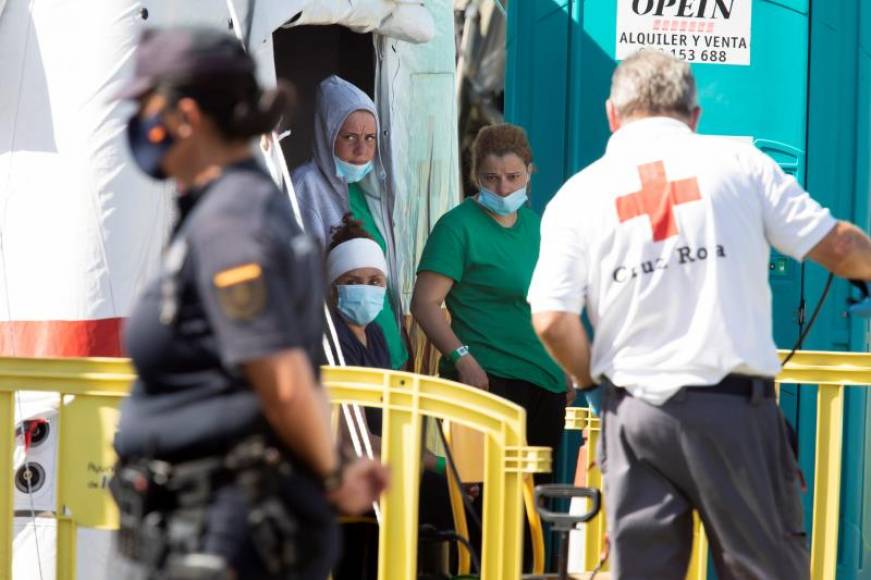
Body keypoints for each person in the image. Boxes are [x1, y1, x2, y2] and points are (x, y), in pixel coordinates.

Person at [527, 50, 871, 579]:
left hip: (635, 416)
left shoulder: (577, 196)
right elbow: (842, 248)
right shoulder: (742, 166)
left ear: (612, 115)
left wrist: (592, 383)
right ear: (695, 115)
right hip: (733, 413)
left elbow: (551, 318)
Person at [109, 27, 388, 580]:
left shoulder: (234, 222)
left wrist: (334, 474)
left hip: (231, 524)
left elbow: (280, 377)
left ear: (185, 114)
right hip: (202, 518)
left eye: (146, 105)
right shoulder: (219, 209)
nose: (140, 123)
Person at [411, 124, 572, 478]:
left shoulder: (534, 225)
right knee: (485, 504)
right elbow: (424, 303)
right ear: (475, 177)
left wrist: (565, 366)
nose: (503, 188)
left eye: (513, 177)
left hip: (544, 381)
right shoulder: (457, 227)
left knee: (532, 509)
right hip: (486, 380)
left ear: (530, 173)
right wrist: (462, 358)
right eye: (491, 178)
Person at [324, 214, 455, 580]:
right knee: (443, 496)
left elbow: (392, 417)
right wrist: (427, 462)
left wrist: (437, 463)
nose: (366, 289)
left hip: (381, 459)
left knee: (463, 494)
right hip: (346, 465)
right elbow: (348, 434)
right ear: (335, 286)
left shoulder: (378, 339)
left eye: (375, 281)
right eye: (353, 282)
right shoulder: (329, 339)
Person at [291, 75, 408, 372]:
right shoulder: (308, 187)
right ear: (327, 136)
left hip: (383, 345)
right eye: (349, 137)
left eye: (370, 138)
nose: (362, 150)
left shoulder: (369, 188)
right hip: (341, 352)